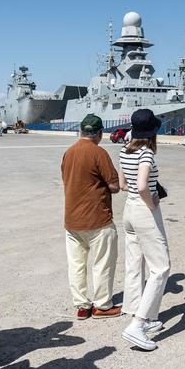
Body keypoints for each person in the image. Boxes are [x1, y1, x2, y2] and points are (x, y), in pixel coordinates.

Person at [118, 109, 171, 351]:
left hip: (128, 210)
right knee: (160, 267)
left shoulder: (124, 149)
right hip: (143, 210)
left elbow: (122, 184)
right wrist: (153, 202)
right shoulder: (146, 153)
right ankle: (138, 325)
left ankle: (137, 314)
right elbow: (141, 186)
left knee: (134, 263)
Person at [61, 115, 121, 320]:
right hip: (97, 218)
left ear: (80, 131)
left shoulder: (69, 153)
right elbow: (114, 187)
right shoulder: (99, 153)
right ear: (99, 134)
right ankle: (102, 306)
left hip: (72, 220)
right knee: (102, 263)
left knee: (76, 265)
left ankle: (82, 306)